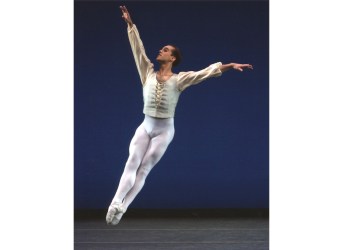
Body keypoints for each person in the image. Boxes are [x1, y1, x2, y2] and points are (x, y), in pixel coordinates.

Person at [106, 5, 253, 225]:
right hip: (145, 126)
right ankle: (115, 203)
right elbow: (138, 49)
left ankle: (124, 208)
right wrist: (130, 25)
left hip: (165, 131)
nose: (160, 51)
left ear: (173, 58)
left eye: (165, 50)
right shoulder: (147, 72)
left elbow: (204, 73)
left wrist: (229, 65)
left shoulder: (180, 79)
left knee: (144, 168)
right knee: (132, 161)